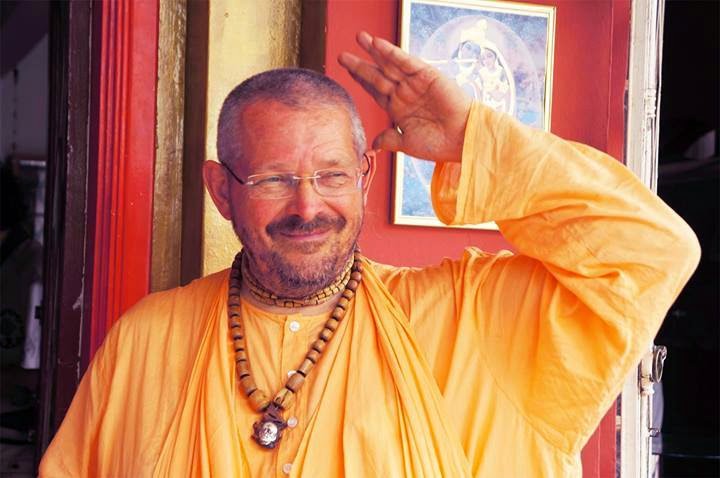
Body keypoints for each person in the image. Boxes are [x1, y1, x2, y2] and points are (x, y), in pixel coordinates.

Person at [39, 32, 699, 477]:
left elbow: (653, 252)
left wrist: (475, 141)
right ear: (221, 191)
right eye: (272, 178)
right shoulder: (147, 340)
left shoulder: (473, 319)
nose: (308, 206)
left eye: (332, 175)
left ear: (365, 178)